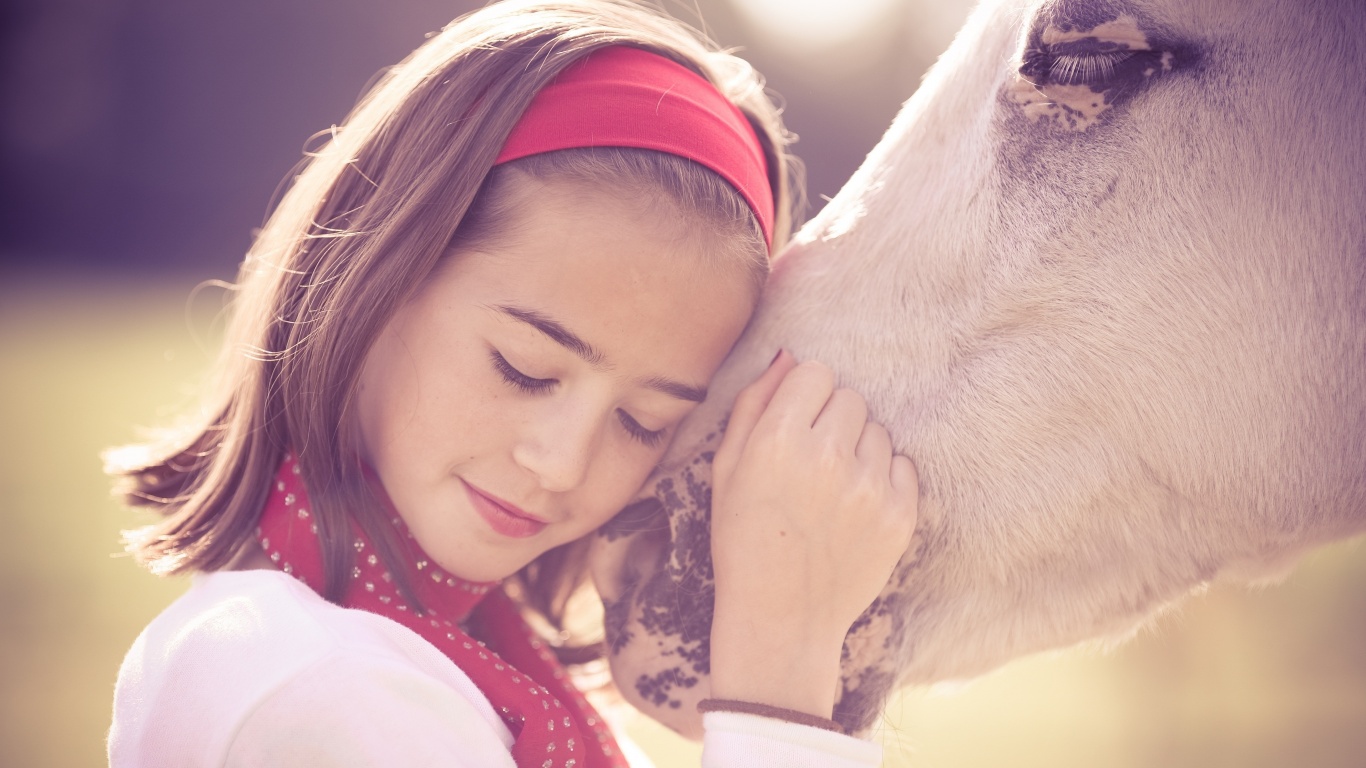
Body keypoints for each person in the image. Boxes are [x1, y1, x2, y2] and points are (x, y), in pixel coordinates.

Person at [106, 1, 918, 766]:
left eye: (643, 422)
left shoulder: (471, 653)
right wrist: (780, 680)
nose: (562, 465)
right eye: (524, 369)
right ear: (375, 277)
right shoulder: (303, 681)